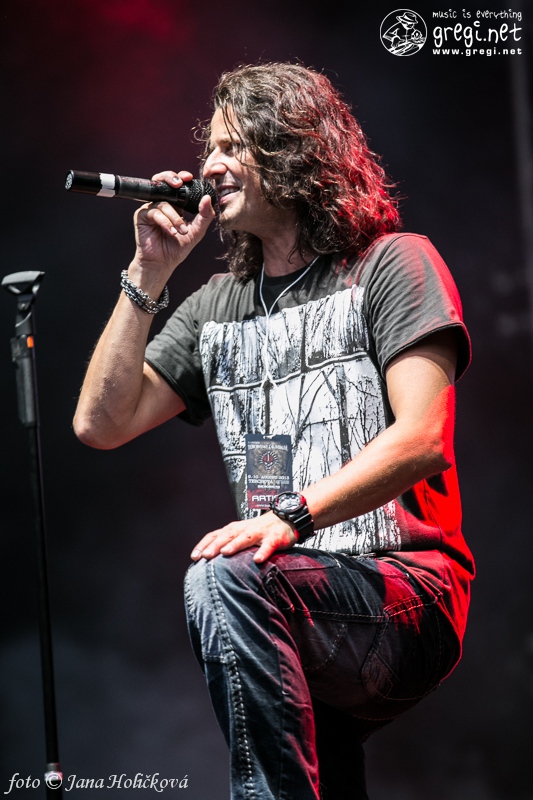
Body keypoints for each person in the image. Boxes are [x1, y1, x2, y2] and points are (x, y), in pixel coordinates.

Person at [74, 62, 475, 800]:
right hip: (291, 595)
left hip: (405, 590)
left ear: (295, 152)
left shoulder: (391, 264)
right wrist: (149, 272)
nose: (209, 165)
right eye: (209, 147)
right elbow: (101, 424)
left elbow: (423, 438)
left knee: (222, 577)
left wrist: (290, 517)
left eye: (233, 146)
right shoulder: (217, 305)